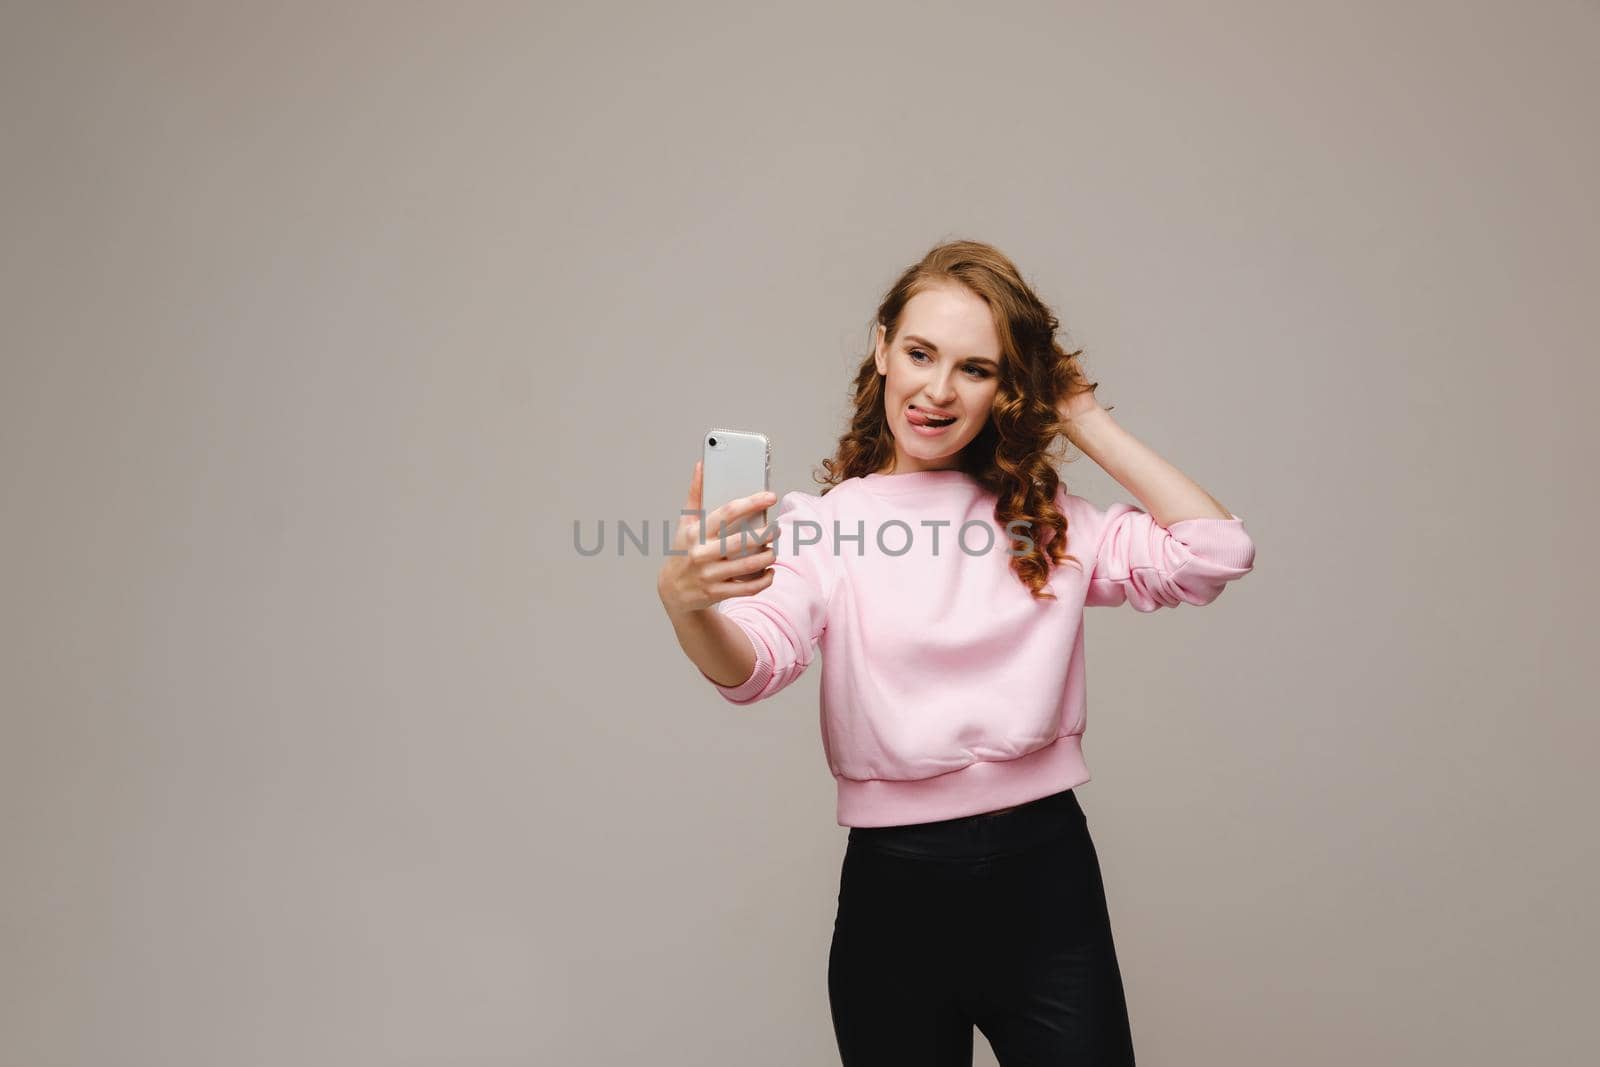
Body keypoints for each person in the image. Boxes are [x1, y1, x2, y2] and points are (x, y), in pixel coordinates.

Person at [656, 239, 1256, 1065]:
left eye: (976, 369)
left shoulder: (1044, 516)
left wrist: (1080, 413)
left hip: (1048, 884)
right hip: (894, 900)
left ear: (1010, 386)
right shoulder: (825, 526)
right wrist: (690, 609)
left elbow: (1214, 551)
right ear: (882, 349)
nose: (937, 390)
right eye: (920, 353)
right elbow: (754, 666)